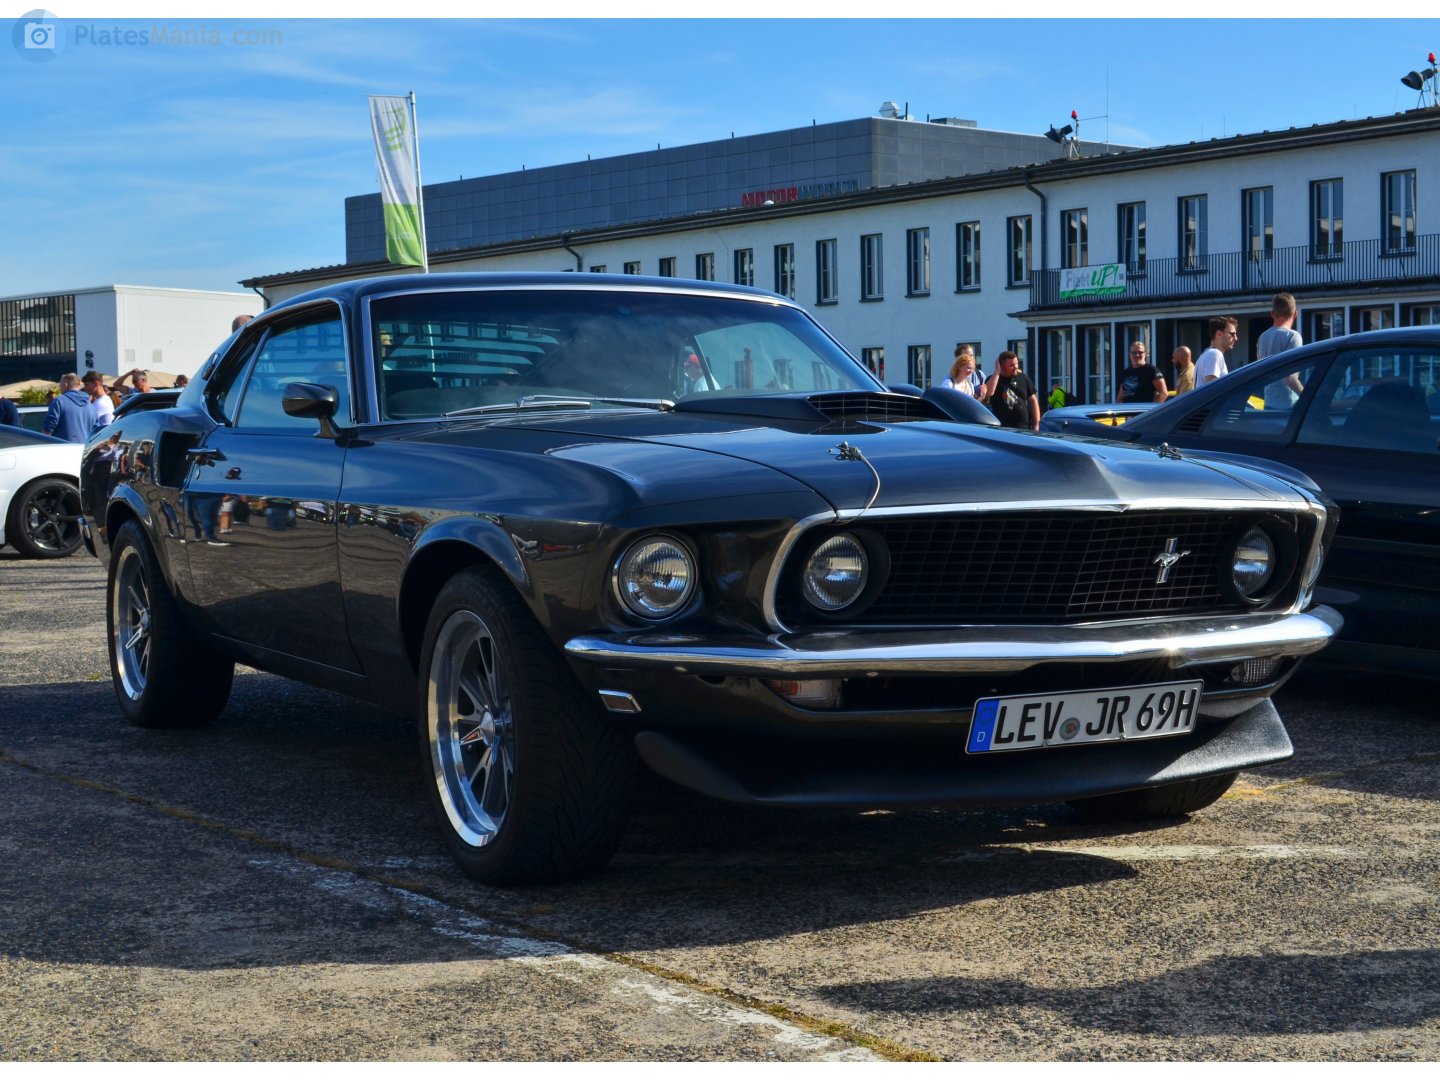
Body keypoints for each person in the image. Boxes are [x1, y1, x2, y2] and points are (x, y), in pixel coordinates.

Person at [1256, 292, 1306, 408]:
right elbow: (1290, 377)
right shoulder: (1293, 336)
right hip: (1288, 404)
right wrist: (1306, 396)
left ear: (1272, 314)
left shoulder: (1262, 337)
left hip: (1268, 403)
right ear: (1295, 314)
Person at [984, 351, 1039, 431]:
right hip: (1002, 429)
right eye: (1011, 365)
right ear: (1002, 366)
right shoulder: (993, 379)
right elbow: (988, 393)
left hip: (1023, 428)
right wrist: (997, 372)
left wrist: (1036, 424)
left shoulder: (1023, 378)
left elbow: (1033, 400)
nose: (1016, 367)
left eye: (1016, 363)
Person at [42, 374, 98, 443]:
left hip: (62, 449)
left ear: (66, 385)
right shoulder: (92, 408)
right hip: (83, 450)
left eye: (60, 385)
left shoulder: (59, 401)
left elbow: (48, 428)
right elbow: (95, 433)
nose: (59, 387)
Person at [1194, 317, 1237, 385]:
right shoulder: (1215, 354)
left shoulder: (1206, 353)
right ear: (1219, 334)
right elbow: (1212, 389)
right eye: (1232, 334)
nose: (1235, 338)